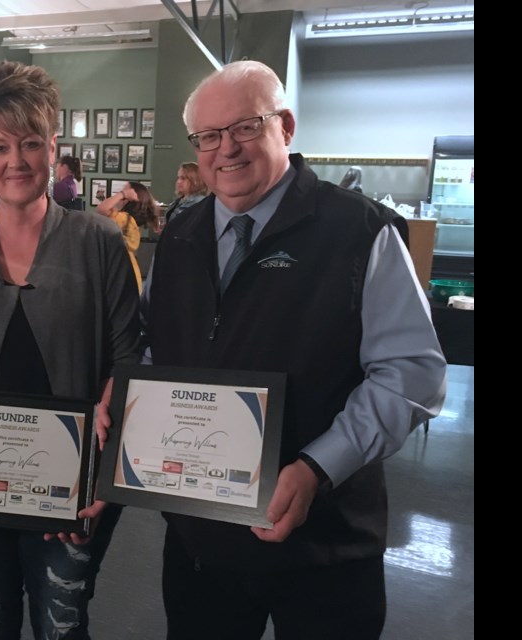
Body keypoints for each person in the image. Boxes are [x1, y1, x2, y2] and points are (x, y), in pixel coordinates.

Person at [143, 60, 447, 639]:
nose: (225, 149)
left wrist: (316, 468)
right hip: (203, 536)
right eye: (207, 136)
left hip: (325, 544)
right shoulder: (181, 234)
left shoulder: (358, 230)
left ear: (285, 126)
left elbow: (411, 373)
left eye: (245, 127)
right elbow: (158, 348)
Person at [0, 60, 140, 640]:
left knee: (63, 625)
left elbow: (129, 364)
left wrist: (104, 479)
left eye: (31, 144)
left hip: (71, 489)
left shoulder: (100, 240)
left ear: (53, 146)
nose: (16, 161)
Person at [96, 181, 157, 293]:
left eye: (124, 193)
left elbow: (102, 209)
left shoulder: (125, 219)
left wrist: (123, 194)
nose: (120, 196)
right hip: (130, 273)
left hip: (123, 275)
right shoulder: (128, 220)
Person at [162, 161, 208, 225]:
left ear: (195, 180)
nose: (178, 182)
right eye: (178, 178)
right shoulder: (178, 201)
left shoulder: (200, 203)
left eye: (183, 178)